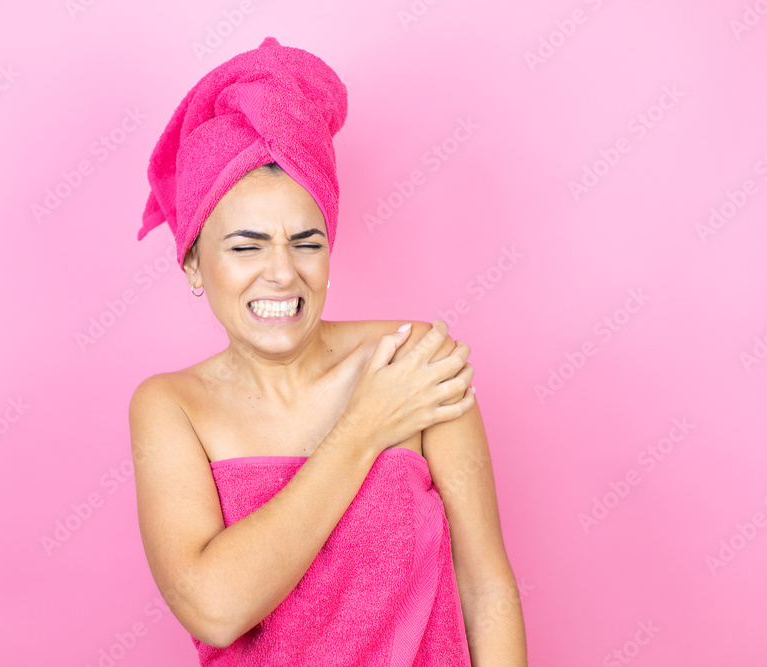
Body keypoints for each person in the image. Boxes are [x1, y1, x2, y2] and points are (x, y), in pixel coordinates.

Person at [130, 37, 527, 666]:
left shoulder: (414, 362)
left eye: (306, 243)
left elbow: (486, 588)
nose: (281, 273)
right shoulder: (171, 406)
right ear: (194, 264)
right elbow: (215, 608)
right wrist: (364, 428)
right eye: (246, 246)